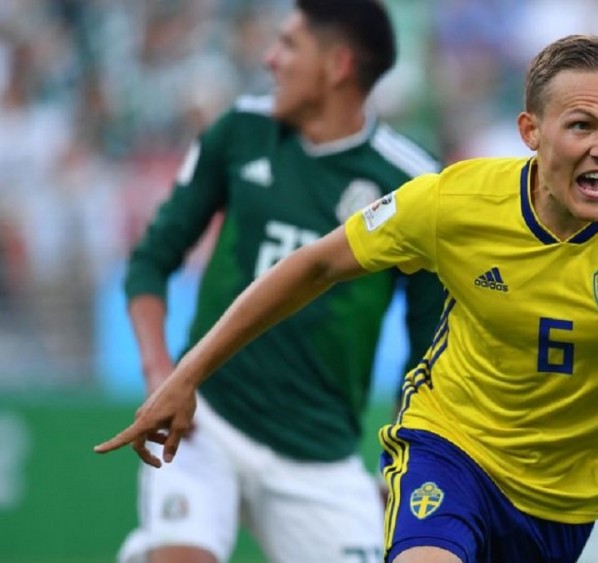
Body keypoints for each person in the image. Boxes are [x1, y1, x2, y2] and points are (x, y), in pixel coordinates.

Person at [98, 34, 598, 563]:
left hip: (565, 506)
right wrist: (186, 373)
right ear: (531, 132)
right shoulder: (454, 202)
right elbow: (314, 266)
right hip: (451, 448)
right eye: (581, 126)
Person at [115, 1, 443, 562]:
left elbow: (428, 351)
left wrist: (399, 467)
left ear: (338, 65)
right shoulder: (240, 132)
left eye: (289, 44)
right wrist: (159, 375)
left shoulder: (413, 183)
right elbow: (151, 259)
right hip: (206, 419)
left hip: (320, 456)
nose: (271, 59)